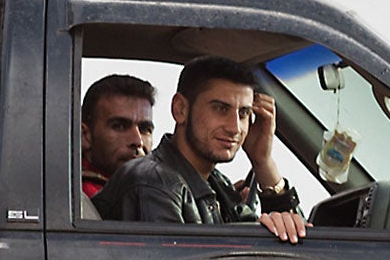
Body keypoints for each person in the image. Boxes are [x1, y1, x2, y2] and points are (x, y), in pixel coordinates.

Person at [95, 56, 307, 243]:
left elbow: (298, 244)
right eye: (220, 109)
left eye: (243, 113)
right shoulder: (154, 183)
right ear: (180, 109)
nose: (235, 128)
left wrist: (263, 161)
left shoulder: (215, 181)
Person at [80, 74, 157, 199]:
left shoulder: (160, 190)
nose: (138, 141)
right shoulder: (77, 198)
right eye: (120, 126)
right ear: (85, 135)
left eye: (145, 129)